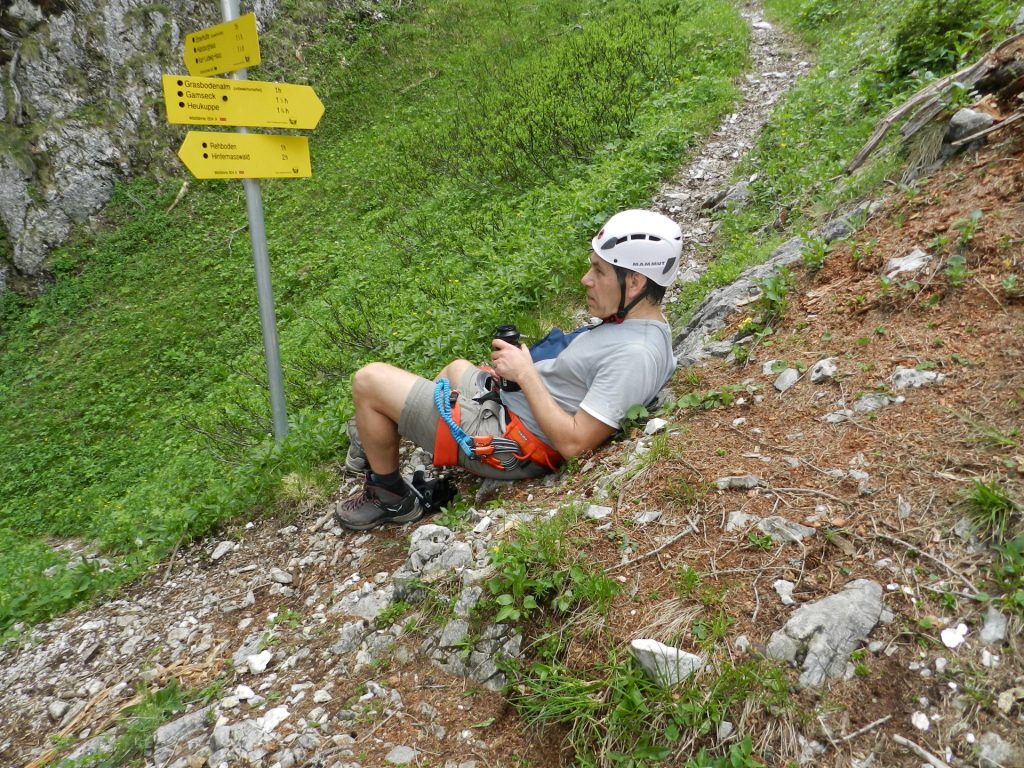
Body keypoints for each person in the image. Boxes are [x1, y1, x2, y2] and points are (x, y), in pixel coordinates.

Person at [335, 209, 682, 530]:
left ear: (635, 282)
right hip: (511, 413)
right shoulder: (639, 327)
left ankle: (392, 498)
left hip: (511, 444)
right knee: (457, 368)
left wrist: (525, 374)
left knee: (369, 381)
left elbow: (575, 444)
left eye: (599, 271)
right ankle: (385, 429)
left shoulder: (635, 355)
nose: (585, 279)